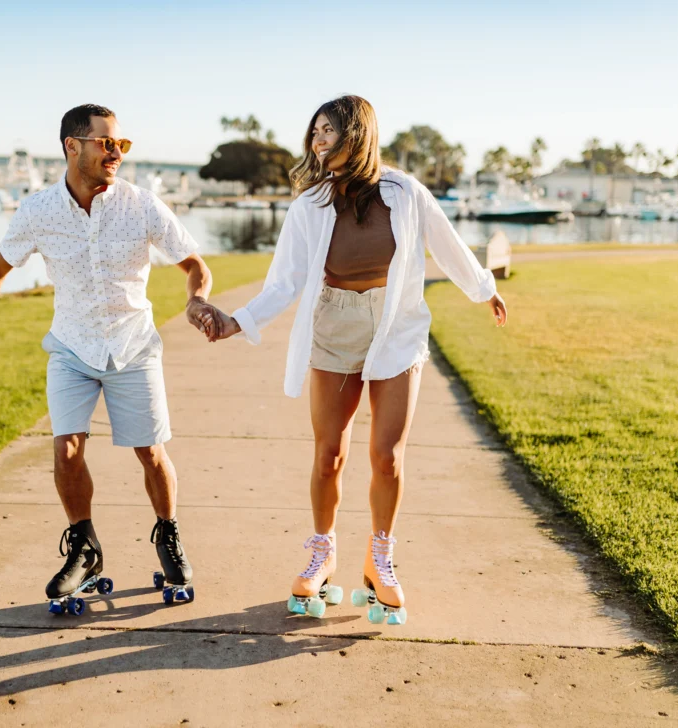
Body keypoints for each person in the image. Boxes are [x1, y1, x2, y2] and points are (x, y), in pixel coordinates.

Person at [203, 96, 507, 624]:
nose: (318, 141)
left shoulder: (405, 192)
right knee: (329, 454)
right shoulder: (310, 204)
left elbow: (447, 243)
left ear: (357, 134)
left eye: (329, 131)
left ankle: (380, 555)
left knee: (387, 455)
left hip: (396, 325)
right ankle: (323, 550)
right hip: (334, 324)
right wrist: (237, 321)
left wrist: (484, 289)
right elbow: (285, 281)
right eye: (314, 132)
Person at [0, 104, 220, 612]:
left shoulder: (141, 205)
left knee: (151, 453)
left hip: (133, 346)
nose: (116, 152)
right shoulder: (38, 210)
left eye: (121, 144)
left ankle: (168, 536)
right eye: (106, 142)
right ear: (73, 146)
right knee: (66, 451)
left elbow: (194, 263)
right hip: (71, 347)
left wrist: (196, 298)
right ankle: (85, 549)